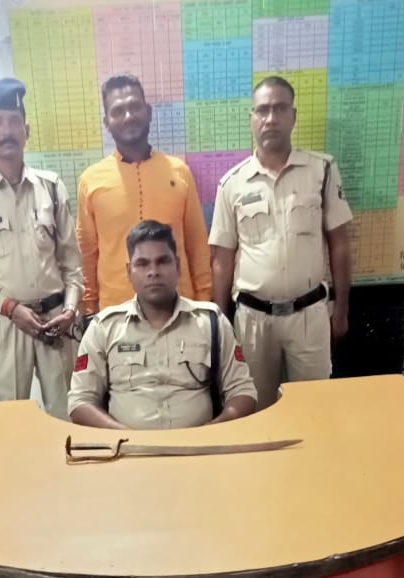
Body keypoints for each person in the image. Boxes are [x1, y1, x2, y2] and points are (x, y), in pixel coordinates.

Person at [209, 75, 352, 410]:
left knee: (315, 409)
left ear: (293, 115)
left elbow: (340, 245)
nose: (271, 118)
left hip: (310, 316)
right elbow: (222, 260)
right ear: (251, 118)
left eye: (280, 108)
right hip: (253, 321)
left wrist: (342, 309)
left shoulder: (322, 170)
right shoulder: (232, 184)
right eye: (262, 110)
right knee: (255, 408)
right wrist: (221, 323)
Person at [0, 77, 83, 415]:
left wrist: (70, 310)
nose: (6, 130)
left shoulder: (51, 188)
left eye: (13, 121)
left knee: (66, 414)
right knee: (10, 416)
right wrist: (10, 308)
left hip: (56, 322)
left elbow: (72, 265)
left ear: (27, 130)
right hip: (6, 324)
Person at [69, 220, 256, 430]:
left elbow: (243, 392)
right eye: (142, 264)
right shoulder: (104, 328)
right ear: (129, 272)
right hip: (128, 447)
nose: (153, 272)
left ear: (178, 266)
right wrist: (126, 437)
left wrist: (211, 431)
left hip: (200, 446)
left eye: (162, 261)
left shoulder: (211, 322)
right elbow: (80, 401)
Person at [77, 73, 211, 315]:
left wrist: (203, 303)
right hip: (116, 316)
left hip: (180, 312)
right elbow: (87, 253)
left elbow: (197, 245)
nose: (128, 116)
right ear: (106, 122)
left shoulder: (180, 172)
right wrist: (88, 310)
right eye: (118, 111)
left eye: (134, 106)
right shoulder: (90, 180)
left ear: (148, 112)